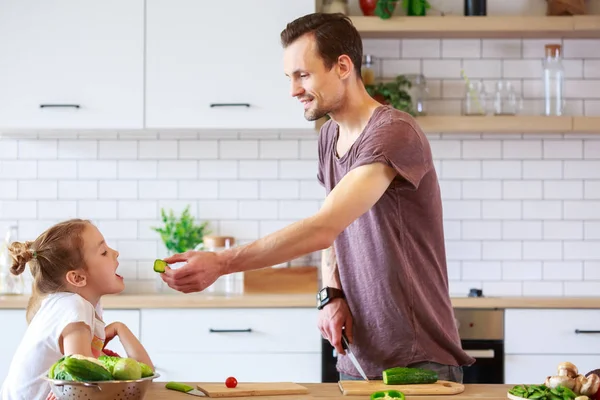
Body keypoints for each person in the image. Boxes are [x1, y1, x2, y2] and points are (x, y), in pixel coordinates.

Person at [159, 12, 474, 382]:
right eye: (289, 77)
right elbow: (337, 226)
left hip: (418, 360)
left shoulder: (394, 132)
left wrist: (222, 262)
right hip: (359, 356)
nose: (293, 90)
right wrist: (331, 294)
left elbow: (324, 227)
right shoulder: (329, 136)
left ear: (343, 65)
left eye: (303, 75)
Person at [0, 219, 154, 400]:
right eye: (104, 252)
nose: (116, 253)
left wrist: (120, 328)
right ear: (78, 278)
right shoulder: (73, 308)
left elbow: (144, 375)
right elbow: (85, 390)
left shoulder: (79, 308)